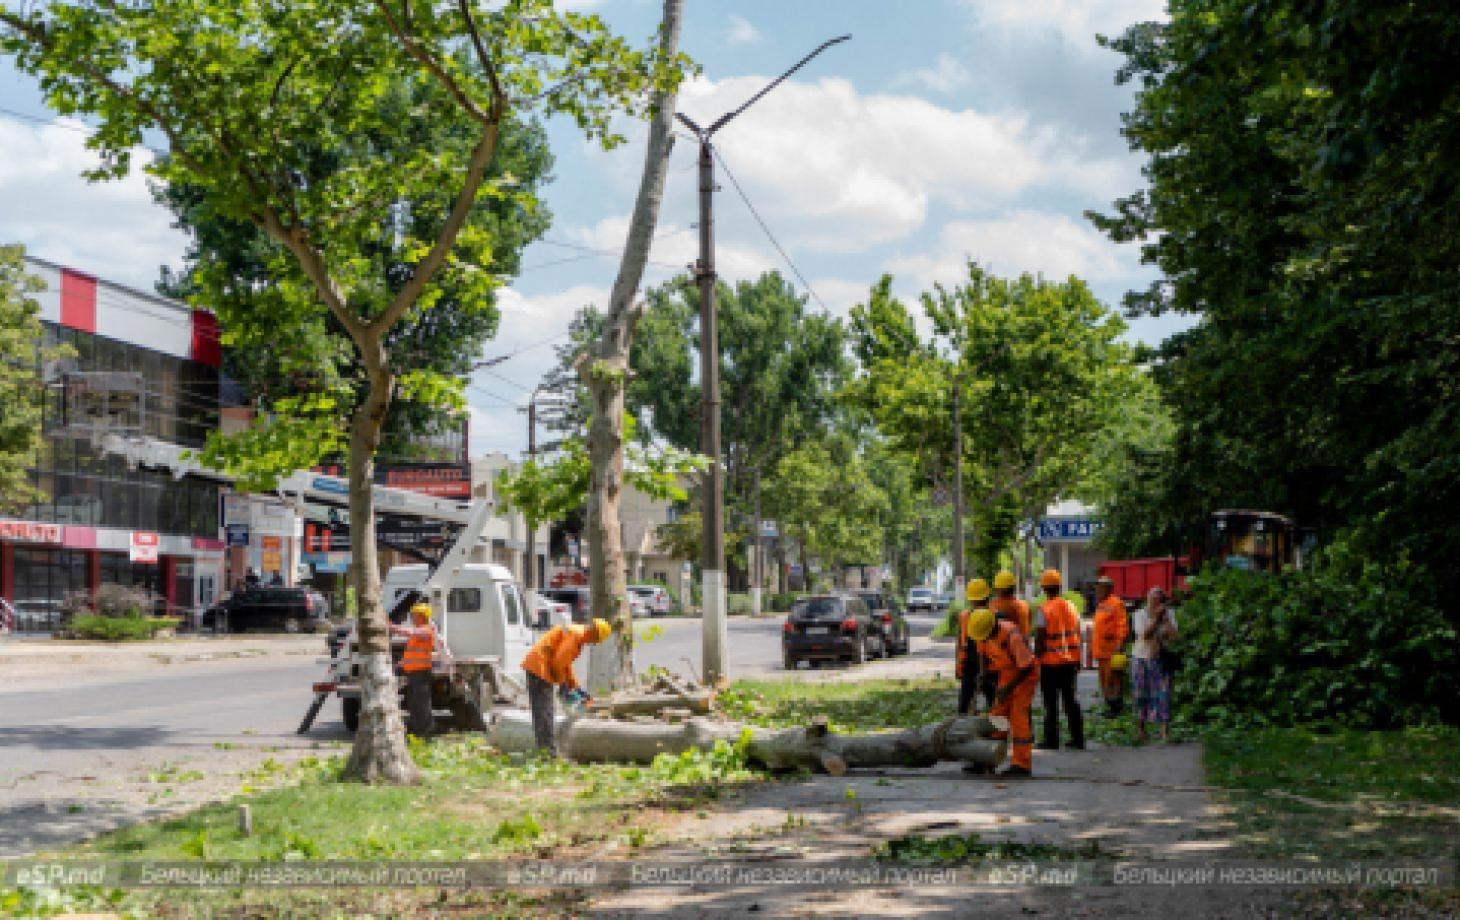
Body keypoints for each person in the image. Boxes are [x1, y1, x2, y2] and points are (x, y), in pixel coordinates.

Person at [521, 617, 613, 754]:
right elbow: (558, 662)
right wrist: (563, 684)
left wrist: (574, 685)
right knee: (544, 713)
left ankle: (546, 750)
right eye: (594, 641)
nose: (591, 644)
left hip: (540, 666)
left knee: (545, 712)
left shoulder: (576, 633)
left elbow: (566, 663)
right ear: (594, 635)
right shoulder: (575, 636)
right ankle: (547, 753)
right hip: (539, 668)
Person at [966, 607, 1039, 777]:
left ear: (992, 627)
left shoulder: (1011, 636)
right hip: (1007, 675)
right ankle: (989, 757)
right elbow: (982, 654)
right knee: (997, 716)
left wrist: (1008, 688)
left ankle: (1022, 764)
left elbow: (1026, 667)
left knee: (1018, 716)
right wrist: (982, 675)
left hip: (1024, 677)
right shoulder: (982, 634)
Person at [1034, 569, 1084, 750]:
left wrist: (1035, 658)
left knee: (1051, 703)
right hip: (1070, 661)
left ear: (1044, 588)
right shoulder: (1071, 607)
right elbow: (1078, 632)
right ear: (1059, 586)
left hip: (1050, 663)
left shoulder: (1044, 610)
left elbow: (1040, 639)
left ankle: (1051, 740)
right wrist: (1079, 659)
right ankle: (1078, 738)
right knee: (1071, 700)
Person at [1131, 587, 1178, 742]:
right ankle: (1141, 729)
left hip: (1161, 659)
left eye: (1158, 600)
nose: (1154, 602)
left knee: (1164, 694)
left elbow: (1173, 636)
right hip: (1141, 657)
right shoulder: (1139, 614)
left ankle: (1164, 731)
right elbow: (1145, 635)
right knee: (1140, 694)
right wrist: (1156, 619)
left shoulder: (1169, 615)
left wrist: (1164, 620)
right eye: (1152, 599)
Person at [394, 603, 441, 738]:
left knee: (422, 704)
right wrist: (401, 664)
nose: (412, 618)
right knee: (414, 703)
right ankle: (416, 730)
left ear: (422, 616)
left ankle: (426, 732)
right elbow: (412, 653)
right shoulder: (419, 632)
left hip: (421, 672)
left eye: (414, 615)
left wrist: (392, 627)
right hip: (413, 673)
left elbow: (409, 631)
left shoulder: (426, 630)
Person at [1091, 576, 1130, 716]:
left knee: (1112, 680)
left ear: (1108, 588)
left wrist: (1119, 645)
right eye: (1097, 587)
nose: (1097, 590)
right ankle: (1110, 707)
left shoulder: (1116, 603)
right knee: (1104, 681)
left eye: (1100, 587)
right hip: (1101, 651)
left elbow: (1122, 625)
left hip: (1111, 651)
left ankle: (1116, 709)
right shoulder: (1101, 604)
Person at [956, 578, 992, 715]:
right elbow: (960, 642)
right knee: (964, 707)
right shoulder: (965, 617)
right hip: (971, 665)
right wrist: (959, 667)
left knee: (995, 704)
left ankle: (998, 731)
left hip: (988, 666)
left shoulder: (992, 617)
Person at [990, 570, 1032, 636]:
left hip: (1003, 645)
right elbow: (1028, 628)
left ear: (998, 589)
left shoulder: (993, 606)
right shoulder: (1024, 605)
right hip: (1023, 643)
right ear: (1013, 587)